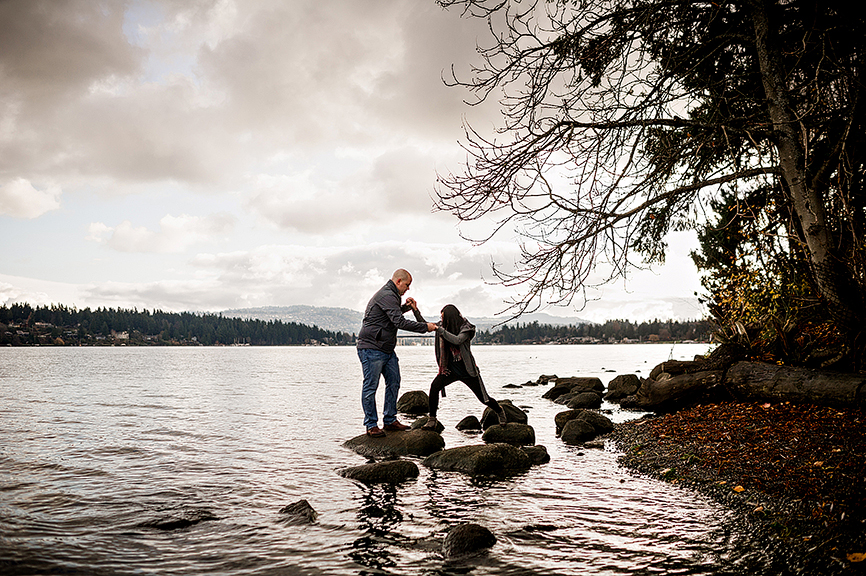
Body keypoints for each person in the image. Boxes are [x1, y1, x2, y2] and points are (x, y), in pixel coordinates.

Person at [357, 269, 437, 437]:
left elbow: (391, 314)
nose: (408, 289)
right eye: (407, 285)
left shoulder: (392, 296)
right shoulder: (387, 294)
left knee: (394, 382)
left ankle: (390, 420)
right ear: (399, 281)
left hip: (386, 348)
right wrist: (425, 327)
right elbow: (398, 322)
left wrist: (407, 307)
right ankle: (371, 425)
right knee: (371, 387)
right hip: (371, 348)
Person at [422, 304, 507, 430]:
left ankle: (499, 411)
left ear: (451, 318)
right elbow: (425, 325)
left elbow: (457, 340)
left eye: (443, 317)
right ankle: (432, 420)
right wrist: (415, 309)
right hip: (449, 370)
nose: (442, 320)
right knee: (434, 387)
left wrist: (439, 330)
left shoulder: (466, 329)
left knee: (484, 399)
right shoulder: (444, 326)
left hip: (468, 371)